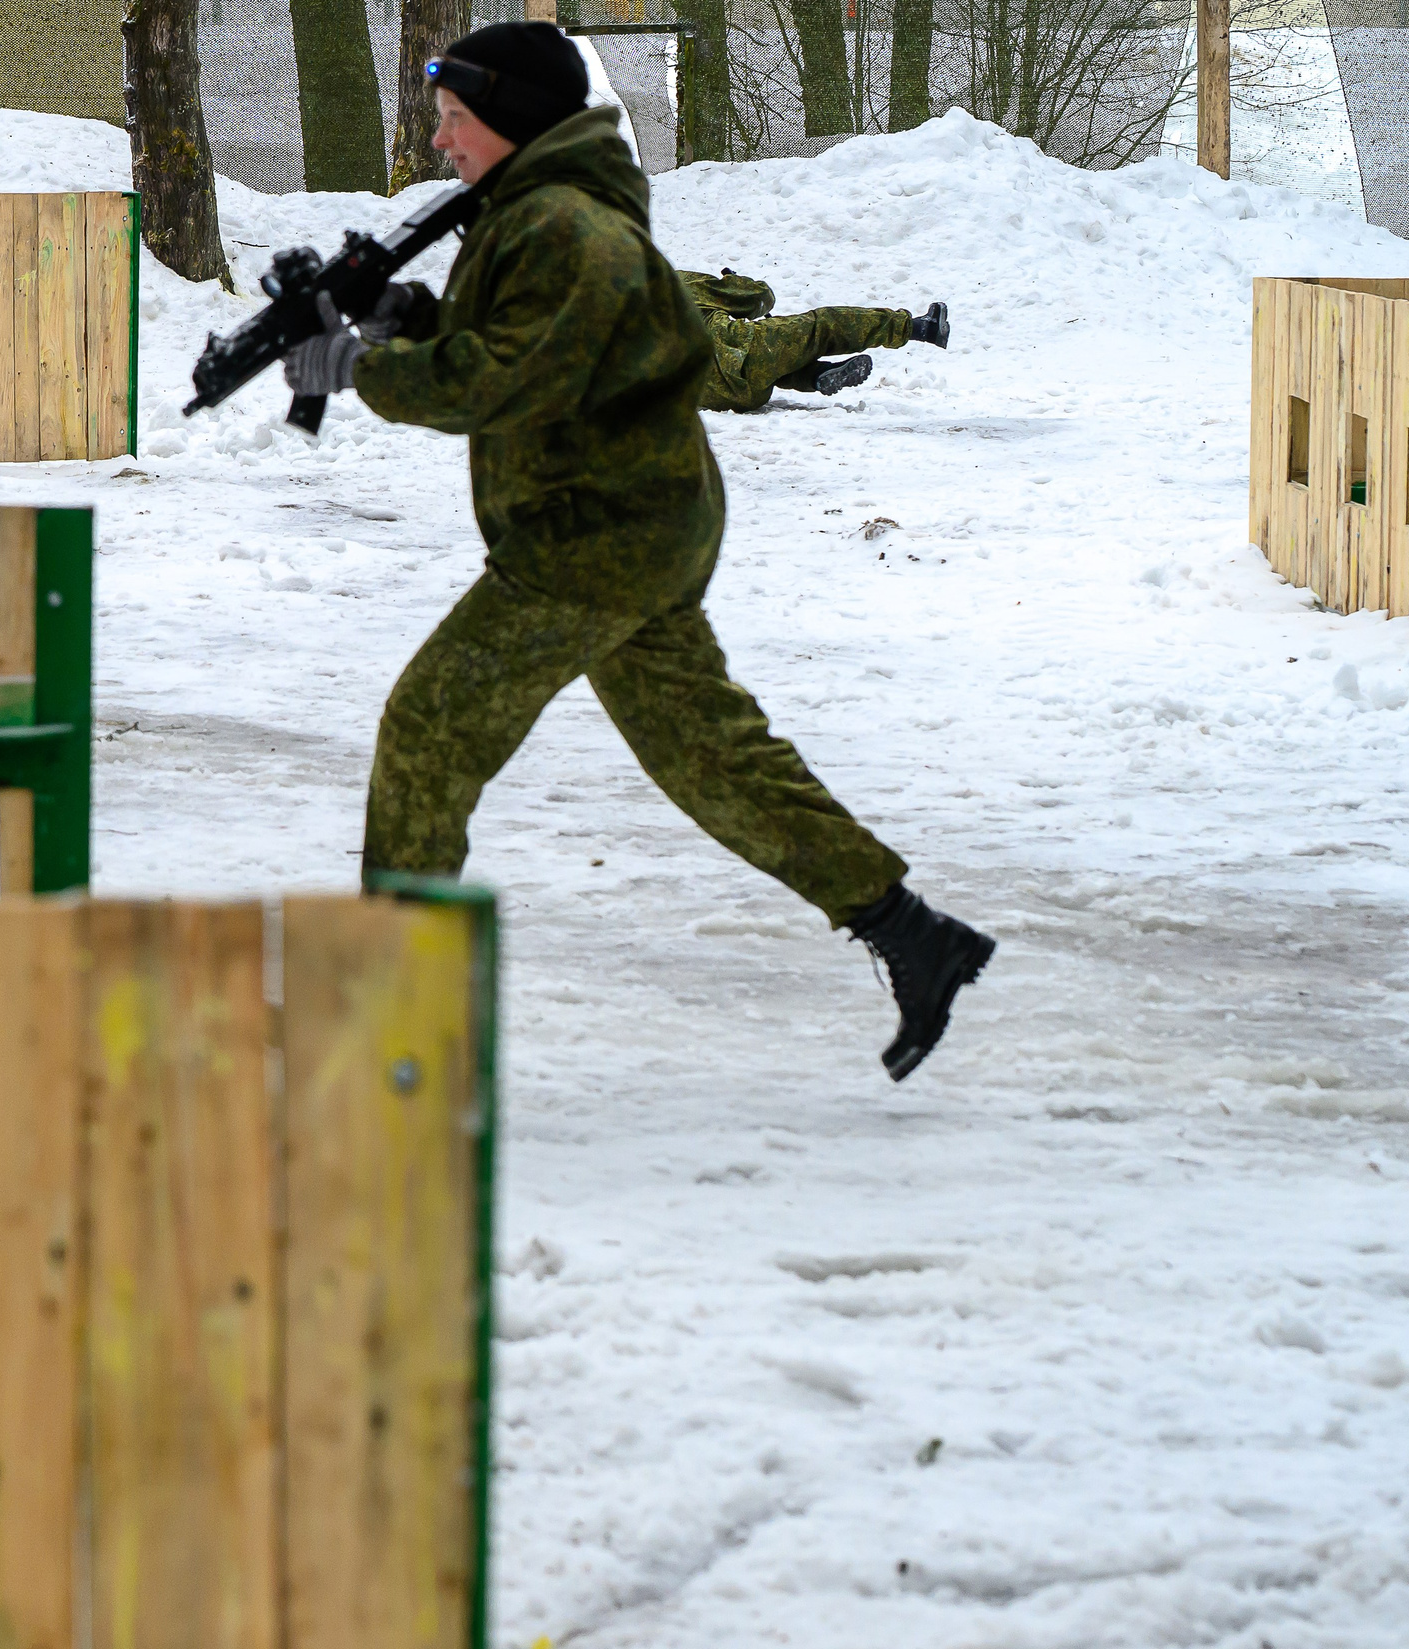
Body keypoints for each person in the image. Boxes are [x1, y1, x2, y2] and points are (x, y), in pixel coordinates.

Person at [278, 20, 992, 1080]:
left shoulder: (566, 227)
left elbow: (505, 377)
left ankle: (396, 1023)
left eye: (453, 121)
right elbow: (510, 336)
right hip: (630, 521)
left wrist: (360, 369)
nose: (439, 143)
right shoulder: (532, 215)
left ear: (512, 124)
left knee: (429, 730)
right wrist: (404, 314)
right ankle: (909, 932)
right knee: (705, 750)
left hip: (595, 535)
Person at [687, 271, 953, 411]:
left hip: (719, 397)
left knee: (771, 364)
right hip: (741, 354)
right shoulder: (677, 282)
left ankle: (819, 376)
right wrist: (734, 281)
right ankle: (921, 328)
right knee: (824, 326)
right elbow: (759, 298)